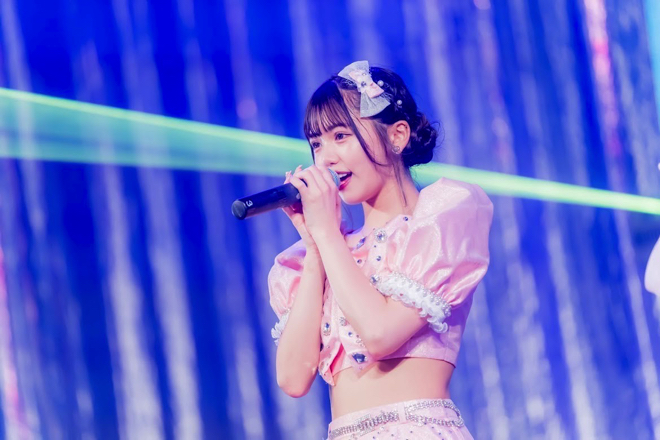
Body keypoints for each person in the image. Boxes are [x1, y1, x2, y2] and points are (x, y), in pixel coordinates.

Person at [267, 60, 493, 439]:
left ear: (397, 135)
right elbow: (292, 378)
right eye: (317, 143)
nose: (325, 158)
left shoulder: (439, 223)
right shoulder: (328, 250)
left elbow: (379, 335)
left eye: (341, 136)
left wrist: (327, 235)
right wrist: (316, 246)